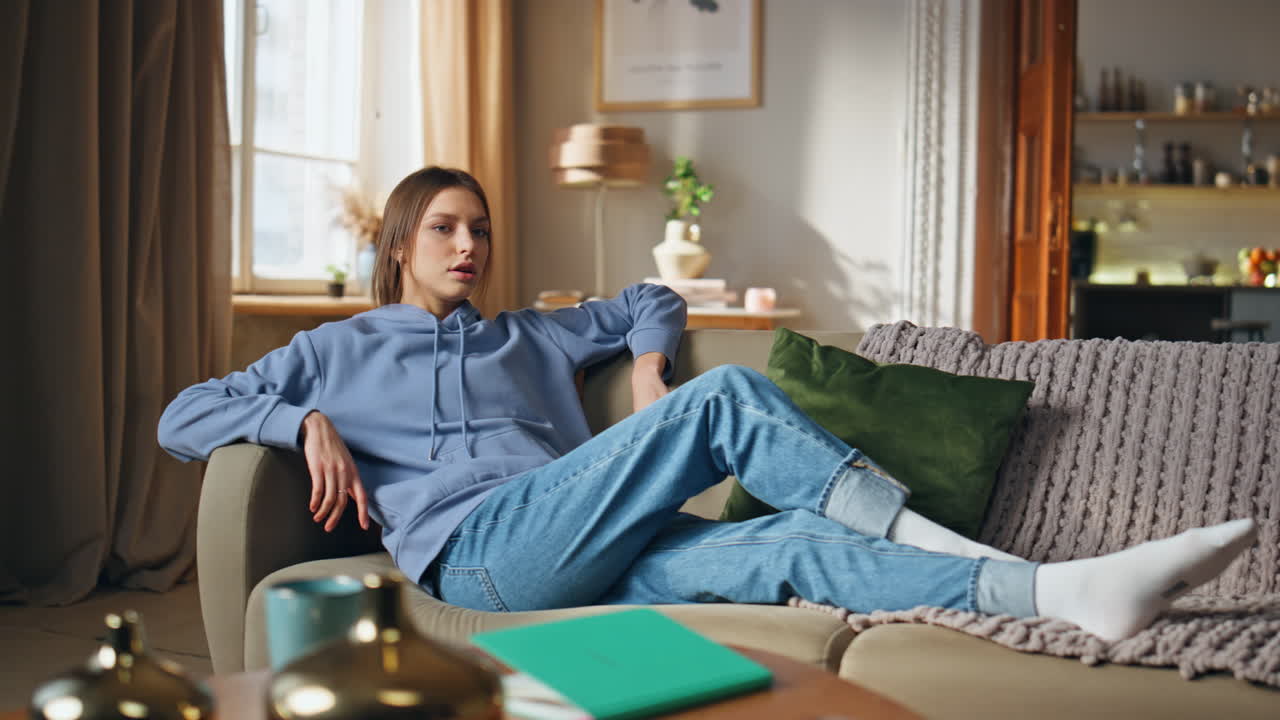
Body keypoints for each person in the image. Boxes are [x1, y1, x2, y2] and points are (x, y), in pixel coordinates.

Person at [159, 166, 1257, 643]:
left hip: (574, 539)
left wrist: (642, 365)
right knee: (728, 397)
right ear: (402, 243)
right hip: (477, 555)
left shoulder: (527, 334)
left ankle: (1056, 594)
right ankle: (935, 532)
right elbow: (182, 415)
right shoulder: (334, 352)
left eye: (480, 228)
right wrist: (294, 419)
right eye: (446, 227)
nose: (467, 245)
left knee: (784, 546)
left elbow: (648, 294)